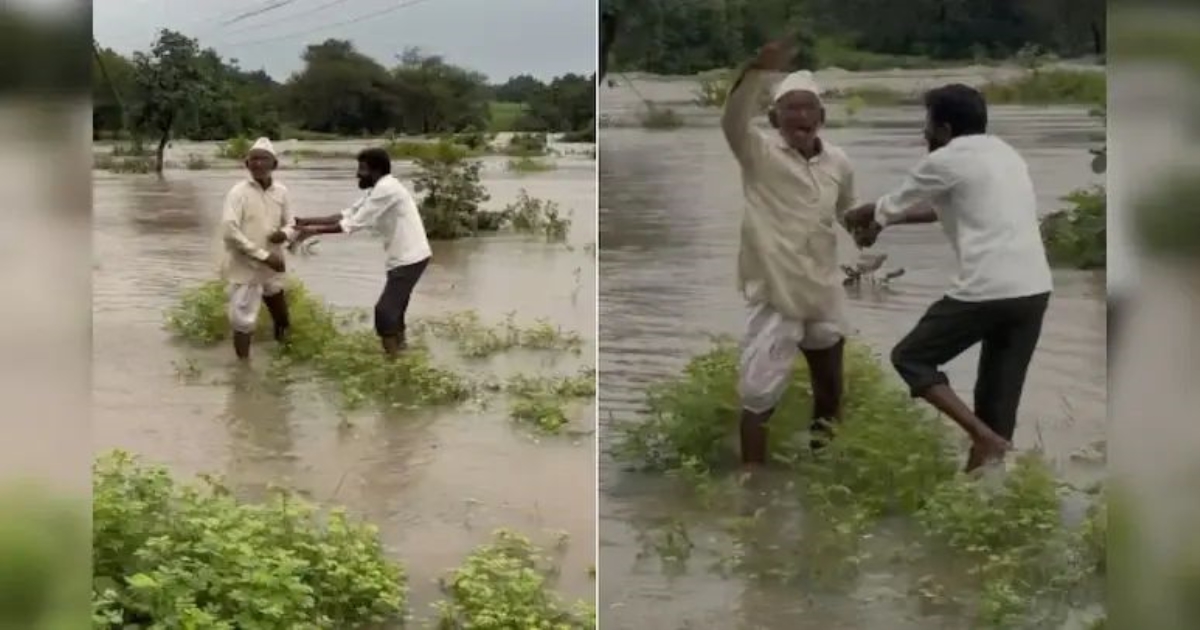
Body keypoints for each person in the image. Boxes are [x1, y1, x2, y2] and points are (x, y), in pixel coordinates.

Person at [844, 83, 1053, 472]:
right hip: (1033, 290)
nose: (924, 132)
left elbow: (887, 205)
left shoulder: (944, 160)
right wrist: (888, 221)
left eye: (927, 124)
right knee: (998, 402)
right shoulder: (1005, 154)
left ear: (943, 128)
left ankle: (982, 438)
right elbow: (945, 207)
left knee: (911, 358)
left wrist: (862, 218)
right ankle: (985, 487)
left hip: (987, 289)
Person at [722, 41, 858, 466]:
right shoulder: (758, 154)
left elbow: (847, 213)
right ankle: (753, 482)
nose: (801, 116)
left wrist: (873, 225)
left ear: (822, 117)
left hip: (823, 290)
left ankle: (824, 470)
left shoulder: (839, 162)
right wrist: (756, 71)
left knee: (830, 391)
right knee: (759, 397)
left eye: (808, 108)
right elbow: (732, 119)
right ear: (774, 119)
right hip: (775, 293)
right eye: (791, 109)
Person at [293, 148, 431, 357]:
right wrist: (307, 221)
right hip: (406, 257)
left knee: (384, 312)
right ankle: (402, 352)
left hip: (409, 258)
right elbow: (347, 214)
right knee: (396, 310)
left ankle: (393, 362)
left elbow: (353, 224)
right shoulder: (378, 188)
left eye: (362, 169)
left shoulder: (386, 189)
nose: (357, 174)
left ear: (376, 170)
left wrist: (312, 231)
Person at [220, 137, 293, 360]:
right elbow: (229, 231)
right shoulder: (238, 192)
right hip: (246, 266)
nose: (258, 164)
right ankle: (243, 370)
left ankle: (284, 357)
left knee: (281, 315)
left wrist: (285, 234)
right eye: (254, 159)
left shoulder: (281, 192)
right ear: (247, 164)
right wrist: (262, 255)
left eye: (263, 159)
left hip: (273, 264)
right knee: (243, 322)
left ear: (274, 164)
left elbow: (291, 223)